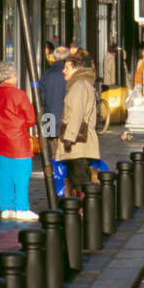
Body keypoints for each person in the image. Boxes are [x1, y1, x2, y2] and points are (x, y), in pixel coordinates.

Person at [0, 60, 39, 223]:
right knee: (21, 176)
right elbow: (31, 119)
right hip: (18, 142)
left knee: (3, 176)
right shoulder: (19, 94)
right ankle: (22, 207)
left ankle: (6, 208)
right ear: (12, 76)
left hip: (0, 141)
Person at [57, 51, 99, 197]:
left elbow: (76, 113)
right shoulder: (81, 84)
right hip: (80, 140)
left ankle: (82, 210)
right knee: (78, 176)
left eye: (67, 68)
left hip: (78, 142)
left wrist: (69, 137)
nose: (63, 71)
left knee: (79, 177)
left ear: (77, 69)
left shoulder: (79, 85)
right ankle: (83, 209)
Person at [40, 46, 70, 141]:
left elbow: (42, 98)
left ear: (55, 57)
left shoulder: (47, 74)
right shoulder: (69, 74)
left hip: (49, 120)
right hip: (66, 120)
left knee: (51, 151)